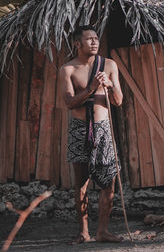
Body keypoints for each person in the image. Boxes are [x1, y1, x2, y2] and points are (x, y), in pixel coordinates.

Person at [58, 25, 123, 244]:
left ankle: (102, 231)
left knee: (108, 183)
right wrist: (91, 88)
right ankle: (84, 232)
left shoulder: (109, 65)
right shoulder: (68, 69)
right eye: (89, 39)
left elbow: (118, 101)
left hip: (103, 128)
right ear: (78, 44)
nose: (94, 42)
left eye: (96, 38)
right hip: (79, 128)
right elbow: (68, 103)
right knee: (81, 182)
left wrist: (110, 85)